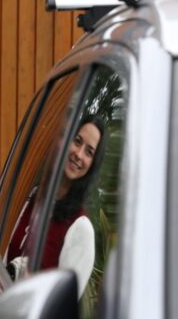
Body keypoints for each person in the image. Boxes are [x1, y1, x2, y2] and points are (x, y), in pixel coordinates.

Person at [6, 115, 105, 298]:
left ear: (92, 165)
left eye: (89, 152)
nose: (79, 154)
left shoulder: (81, 229)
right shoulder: (34, 198)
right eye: (77, 141)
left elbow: (60, 306)